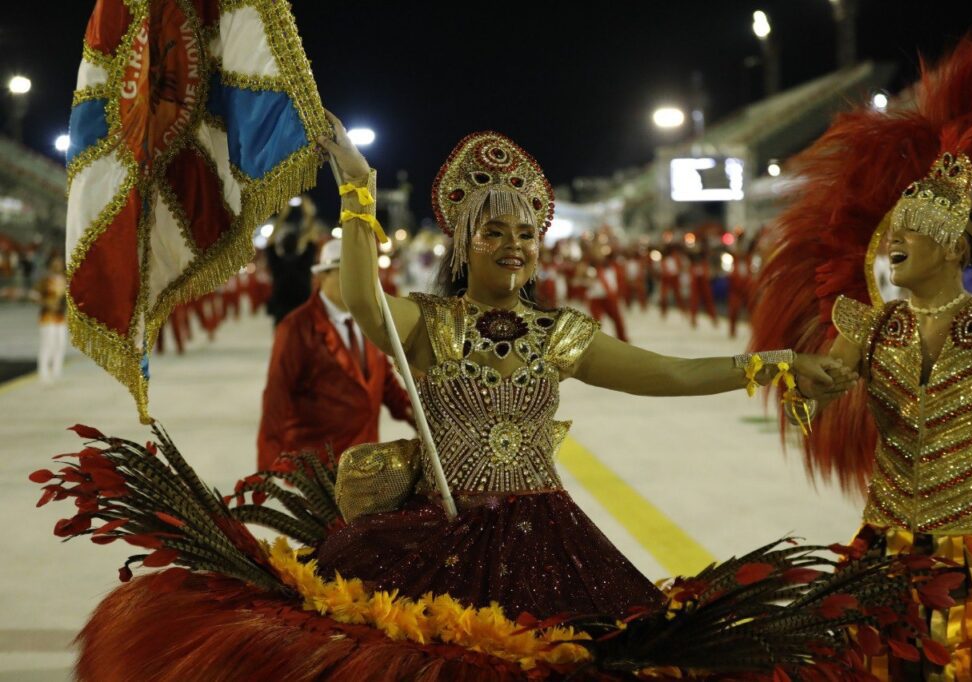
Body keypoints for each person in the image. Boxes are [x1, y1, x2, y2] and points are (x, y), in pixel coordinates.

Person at [39, 125, 921, 682]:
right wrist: (354, 195)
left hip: (550, 539)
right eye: (491, 230)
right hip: (437, 533)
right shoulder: (427, 323)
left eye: (521, 233)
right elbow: (357, 296)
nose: (508, 244)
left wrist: (765, 367)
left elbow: (666, 373)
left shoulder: (560, 333)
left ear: (538, 249)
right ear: (465, 243)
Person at [749, 33, 972, 677]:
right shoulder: (869, 323)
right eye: (893, 231)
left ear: (956, 248)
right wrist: (804, 386)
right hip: (887, 546)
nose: (896, 240)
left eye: (915, 232)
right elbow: (825, 380)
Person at [257, 238, 413, 470]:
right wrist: (268, 468)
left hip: (365, 465)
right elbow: (277, 398)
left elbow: (383, 379)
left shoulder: (370, 321)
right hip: (318, 467)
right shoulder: (296, 328)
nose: (356, 283)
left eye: (360, 274)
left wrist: (415, 415)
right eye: (346, 273)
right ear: (322, 277)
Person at [265, 196, 319, 326]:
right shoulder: (304, 262)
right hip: (303, 312)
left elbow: (269, 243)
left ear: (281, 246)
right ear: (297, 244)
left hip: (281, 314)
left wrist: (282, 216)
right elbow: (312, 239)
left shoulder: (277, 264)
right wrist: (309, 214)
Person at [34, 254, 67, 384]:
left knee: (60, 343)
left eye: (59, 263)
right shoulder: (45, 280)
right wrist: (45, 302)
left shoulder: (65, 280)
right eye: (55, 263)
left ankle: (56, 370)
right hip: (47, 316)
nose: (57, 265)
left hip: (61, 316)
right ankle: (43, 371)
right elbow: (34, 295)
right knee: (48, 343)